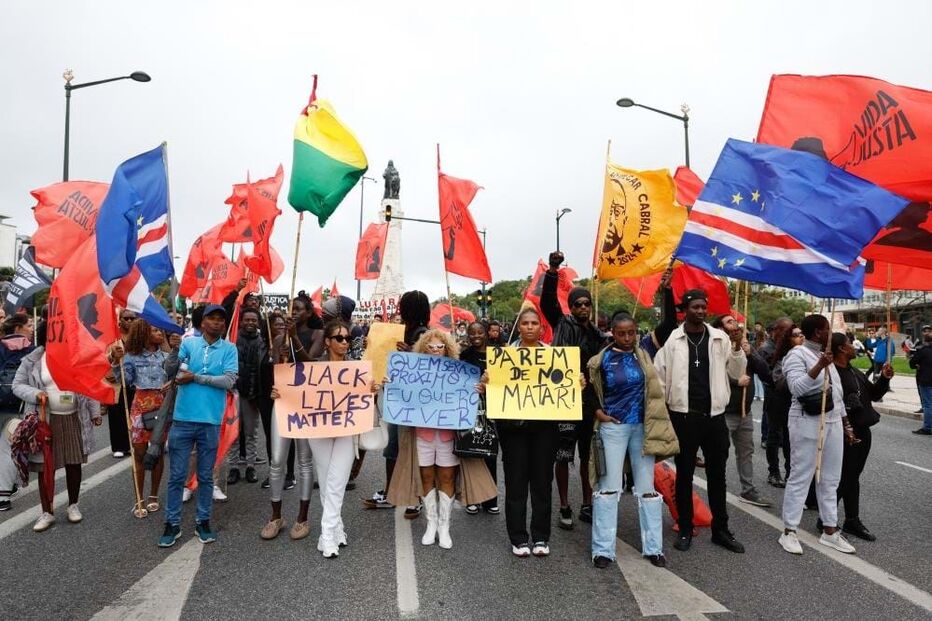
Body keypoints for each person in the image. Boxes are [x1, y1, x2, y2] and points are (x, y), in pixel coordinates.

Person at [654, 289, 746, 554]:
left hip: (714, 417)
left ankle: (721, 530)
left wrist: (738, 347)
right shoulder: (674, 341)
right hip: (684, 417)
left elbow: (737, 373)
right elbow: (660, 379)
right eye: (696, 307)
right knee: (684, 475)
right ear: (686, 309)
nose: (701, 311)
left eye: (704, 307)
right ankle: (685, 527)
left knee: (718, 475)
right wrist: (662, 415)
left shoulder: (720, 338)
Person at [388, 328, 496, 550]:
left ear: (447, 349)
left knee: (447, 478)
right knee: (426, 476)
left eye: (440, 347)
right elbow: (400, 393)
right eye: (431, 346)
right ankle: (431, 523)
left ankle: (444, 526)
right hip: (422, 433)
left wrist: (479, 389)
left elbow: (472, 399)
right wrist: (392, 383)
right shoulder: (414, 372)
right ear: (423, 348)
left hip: (448, 435)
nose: (436, 350)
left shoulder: (460, 374)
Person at [589, 311, 678, 569]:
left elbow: (670, 323)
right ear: (612, 334)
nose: (627, 338)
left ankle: (654, 548)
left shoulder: (644, 354)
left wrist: (668, 289)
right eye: (621, 333)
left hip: (643, 428)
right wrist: (598, 413)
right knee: (608, 488)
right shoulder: (601, 360)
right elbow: (588, 389)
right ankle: (603, 550)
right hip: (613, 429)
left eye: (631, 332)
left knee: (647, 489)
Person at [159, 304, 238, 547]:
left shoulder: (229, 349)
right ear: (202, 323)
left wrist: (196, 378)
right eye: (211, 318)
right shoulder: (188, 344)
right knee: (176, 477)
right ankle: (172, 523)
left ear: (224, 325)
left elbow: (228, 380)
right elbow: (171, 372)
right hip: (182, 420)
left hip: (211, 422)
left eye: (220, 320)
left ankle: (203, 520)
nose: (216, 323)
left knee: (205, 477)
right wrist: (173, 352)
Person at [13, 321, 102, 532]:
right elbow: (17, 385)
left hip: (72, 416)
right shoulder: (33, 359)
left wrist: (95, 411)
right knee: (45, 467)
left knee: (74, 462)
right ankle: (47, 511)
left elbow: (89, 383)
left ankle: (73, 505)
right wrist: (36, 394)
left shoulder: (76, 356)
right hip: (44, 419)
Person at [779, 315, 856, 556]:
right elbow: (797, 388)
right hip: (806, 420)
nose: (831, 334)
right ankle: (789, 531)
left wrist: (846, 425)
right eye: (827, 330)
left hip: (832, 421)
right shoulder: (797, 355)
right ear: (817, 333)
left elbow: (837, 395)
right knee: (801, 476)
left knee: (830, 479)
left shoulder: (828, 357)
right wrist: (819, 366)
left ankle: (830, 530)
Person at [540, 251, 603, 529]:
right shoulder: (561, 323)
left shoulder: (598, 335)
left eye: (587, 304)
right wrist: (553, 270)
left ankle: (588, 503)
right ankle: (564, 505)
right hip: (564, 402)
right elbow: (546, 301)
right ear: (571, 306)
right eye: (577, 304)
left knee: (589, 456)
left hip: (589, 405)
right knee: (563, 456)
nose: (583, 308)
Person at [494, 307, 561, 557]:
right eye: (526, 323)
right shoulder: (505, 356)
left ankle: (541, 536)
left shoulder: (554, 356)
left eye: (535, 323)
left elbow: (562, 386)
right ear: (518, 327)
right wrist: (488, 382)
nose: (530, 327)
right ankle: (519, 537)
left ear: (541, 328)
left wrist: (576, 383)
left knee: (543, 483)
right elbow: (496, 391)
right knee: (516, 482)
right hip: (514, 430)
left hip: (545, 429)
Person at [364, 290, 430, 517]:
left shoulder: (422, 334)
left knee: (409, 449)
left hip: (413, 403)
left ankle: (414, 497)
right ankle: (393, 493)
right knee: (393, 447)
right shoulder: (403, 331)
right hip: (398, 398)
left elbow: (432, 366)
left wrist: (412, 353)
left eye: (404, 306)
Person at [111, 319, 180, 518]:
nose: (160, 333)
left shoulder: (168, 357)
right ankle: (139, 498)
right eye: (155, 330)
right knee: (139, 454)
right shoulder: (131, 357)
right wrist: (117, 361)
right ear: (143, 333)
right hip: (140, 407)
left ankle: (153, 495)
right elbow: (125, 381)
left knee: (157, 452)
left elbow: (177, 377)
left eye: (160, 331)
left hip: (163, 406)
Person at [832, 332, 892, 541]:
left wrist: (884, 378)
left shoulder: (854, 371)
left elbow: (874, 394)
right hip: (846, 433)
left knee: (853, 477)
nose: (854, 346)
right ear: (841, 348)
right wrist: (846, 426)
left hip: (862, 430)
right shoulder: (833, 374)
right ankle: (826, 520)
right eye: (849, 343)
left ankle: (851, 519)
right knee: (845, 477)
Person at [711, 315, 772, 508]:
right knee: (719, 453)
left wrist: (751, 353)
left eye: (734, 321)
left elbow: (765, 373)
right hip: (724, 412)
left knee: (746, 452)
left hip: (744, 412)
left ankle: (748, 490)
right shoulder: (717, 347)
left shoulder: (747, 346)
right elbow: (714, 375)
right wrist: (736, 382)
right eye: (728, 321)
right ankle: (716, 490)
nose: (734, 324)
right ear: (720, 327)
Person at [458, 321, 499, 515]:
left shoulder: (498, 355)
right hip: (470, 409)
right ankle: (473, 497)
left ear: (486, 334)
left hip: (493, 410)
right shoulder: (464, 356)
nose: (476, 336)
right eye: (472, 333)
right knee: (471, 453)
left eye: (480, 332)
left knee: (490, 453)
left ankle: (491, 499)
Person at [228, 308, 268, 486]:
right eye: (247, 319)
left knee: (251, 432)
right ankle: (233, 467)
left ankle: (251, 466)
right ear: (241, 321)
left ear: (258, 322)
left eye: (254, 320)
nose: (250, 322)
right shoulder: (232, 340)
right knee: (234, 433)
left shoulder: (262, 342)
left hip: (253, 394)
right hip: (234, 393)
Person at [0, 314, 35, 511]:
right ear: (18, 328)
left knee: (3, 447)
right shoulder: (32, 351)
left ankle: (7, 487)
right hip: (20, 406)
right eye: (29, 325)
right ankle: (3, 494)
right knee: (10, 446)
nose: (32, 328)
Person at [259, 312, 295, 489]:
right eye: (276, 324)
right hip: (265, 397)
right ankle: (274, 471)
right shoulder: (262, 345)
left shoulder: (288, 345)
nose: (280, 327)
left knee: (288, 434)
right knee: (270, 435)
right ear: (268, 327)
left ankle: (290, 474)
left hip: (285, 396)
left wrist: (283, 355)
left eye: (283, 324)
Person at [763, 319, 795, 488]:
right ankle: (773, 472)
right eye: (787, 330)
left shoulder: (794, 348)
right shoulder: (767, 348)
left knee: (791, 437)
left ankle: (790, 471)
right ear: (777, 330)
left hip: (791, 398)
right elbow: (766, 374)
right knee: (774, 435)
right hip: (775, 397)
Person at [106, 309, 138, 458]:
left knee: (133, 413)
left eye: (133, 318)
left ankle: (132, 443)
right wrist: (112, 358)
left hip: (133, 381)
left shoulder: (138, 337)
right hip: (117, 382)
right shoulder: (112, 336)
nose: (130, 321)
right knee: (116, 414)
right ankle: (118, 446)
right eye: (127, 318)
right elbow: (103, 355)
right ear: (120, 319)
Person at [910, 325, 932, 435]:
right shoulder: (921, 348)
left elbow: (912, 363)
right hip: (926, 379)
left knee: (928, 405)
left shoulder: (923, 350)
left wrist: (918, 365)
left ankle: (927, 427)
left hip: (926, 379)